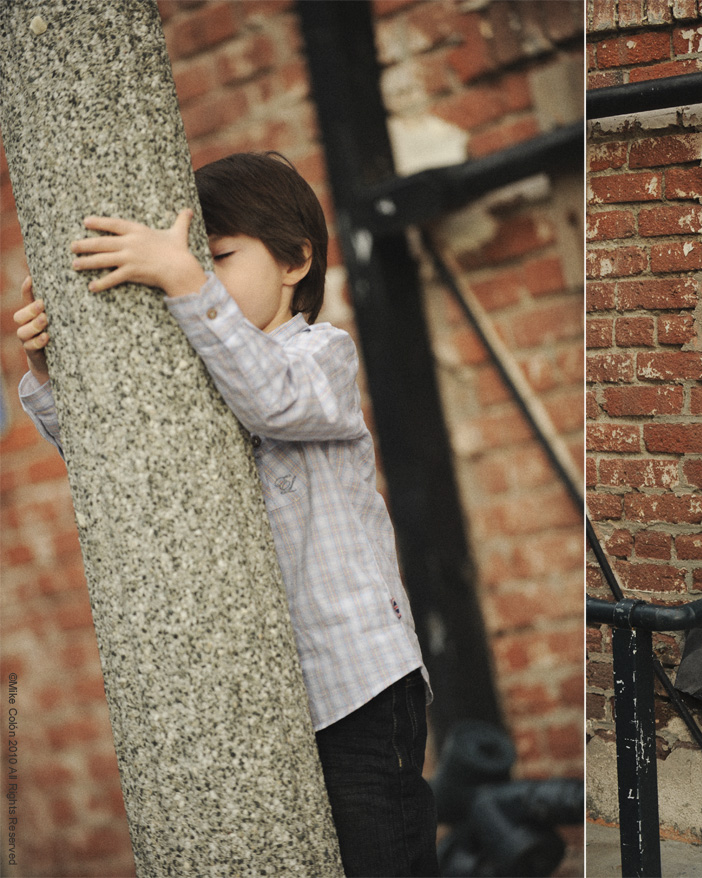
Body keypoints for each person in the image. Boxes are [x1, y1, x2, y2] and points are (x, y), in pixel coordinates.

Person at [14, 152, 438, 877]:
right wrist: (57, 372)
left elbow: (271, 398)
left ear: (296, 260)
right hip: (282, 691)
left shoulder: (320, 354)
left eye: (219, 259)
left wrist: (182, 279)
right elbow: (121, 464)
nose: (203, 275)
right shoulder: (214, 366)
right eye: (197, 264)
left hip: (362, 684)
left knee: (383, 858)